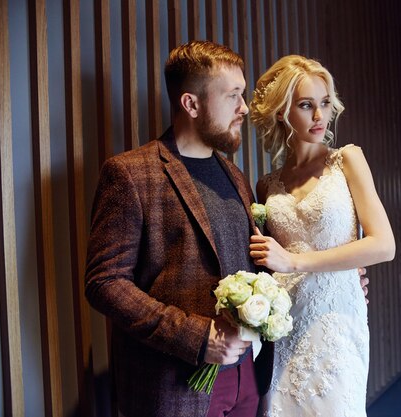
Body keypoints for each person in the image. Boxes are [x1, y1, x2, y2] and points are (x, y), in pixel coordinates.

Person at [85, 40, 271, 417]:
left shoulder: (235, 176)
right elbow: (104, 282)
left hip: (248, 380)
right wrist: (197, 337)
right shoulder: (130, 173)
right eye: (233, 95)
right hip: (176, 385)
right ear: (191, 103)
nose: (244, 108)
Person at [248, 55, 396, 416]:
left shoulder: (347, 161)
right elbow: (265, 259)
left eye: (325, 103)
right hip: (284, 324)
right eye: (306, 105)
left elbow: (383, 245)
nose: (319, 116)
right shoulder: (266, 186)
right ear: (283, 112)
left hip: (336, 322)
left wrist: (297, 261)